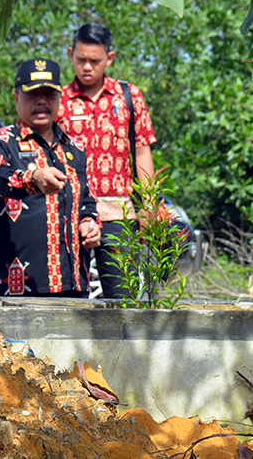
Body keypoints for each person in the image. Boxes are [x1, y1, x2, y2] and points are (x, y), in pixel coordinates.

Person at [0, 58, 100, 296]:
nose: (42, 101)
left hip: (72, 284)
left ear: (60, 99)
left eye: (49, 94)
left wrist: (89, 223)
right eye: (33, 94)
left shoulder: (75, 149)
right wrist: (33, 178)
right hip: (13, 289)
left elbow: (88, 201)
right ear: (16, 98)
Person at [57, 23, 156, 298]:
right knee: (69, 298)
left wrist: (148, 205)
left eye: (95, 61)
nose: (87, 67)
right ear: (70, 54)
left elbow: (142, 152)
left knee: (122, 297)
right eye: (81, 59)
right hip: (71, 215)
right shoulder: (58, 100)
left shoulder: (129, 96)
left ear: (109, 58)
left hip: (119, 215)